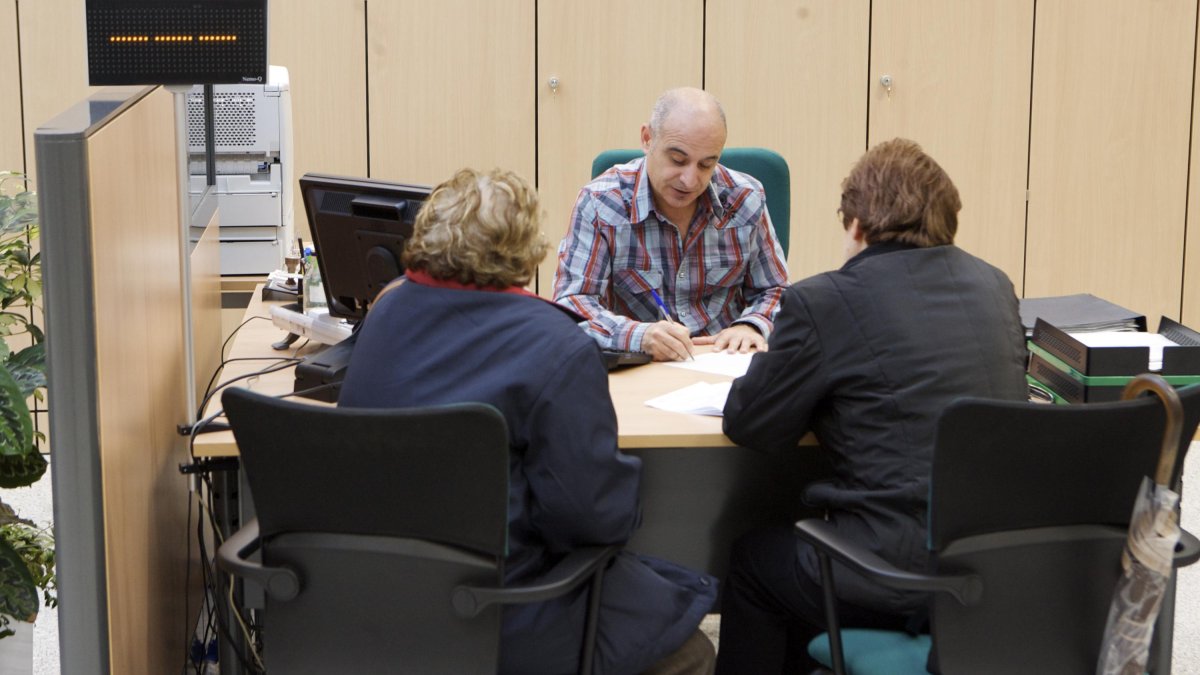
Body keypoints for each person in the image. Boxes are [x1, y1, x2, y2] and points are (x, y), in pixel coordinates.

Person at [338, 167, 718, 675]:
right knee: (691, 650)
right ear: (526, 248)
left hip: (370, 606)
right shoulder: (556, 345)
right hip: (502, 614)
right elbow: (594, 518)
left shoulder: (384, 314)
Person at [713, 139, 1030, 673]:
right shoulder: (994, 284)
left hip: (890, 575)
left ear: (856, 223)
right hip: (988, 567)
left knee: (753, 560)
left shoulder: (826, 298)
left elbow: (752, 424)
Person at [553, 87, 789, 362]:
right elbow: (572, 303)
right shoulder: (601, 203)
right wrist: (640, 336)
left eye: (706, 165)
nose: (689, 180)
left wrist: (752, 325)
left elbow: (775, 289)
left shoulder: (745, 198)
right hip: (641, 364)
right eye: (678, 160)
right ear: (647, 139)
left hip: (723, 366)